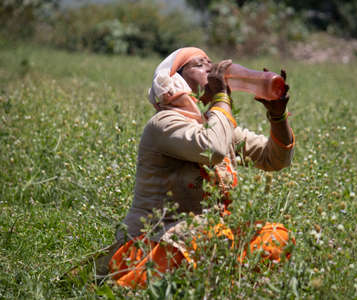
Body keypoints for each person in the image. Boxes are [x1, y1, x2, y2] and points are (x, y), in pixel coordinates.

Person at [102, 47, 295, 288]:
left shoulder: (216, 126)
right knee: (210, 233)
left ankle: (230, 286)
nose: (210, 67)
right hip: (148, 248)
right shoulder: (163, 123)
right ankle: (136, 287)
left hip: (205, 238)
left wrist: (277, 117)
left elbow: (276, 160)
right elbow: (212, 149)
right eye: (199, 63)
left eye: (210, 62)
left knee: (275, 237)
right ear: (177, 78)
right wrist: (222, 98)